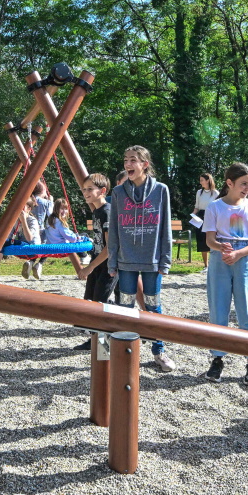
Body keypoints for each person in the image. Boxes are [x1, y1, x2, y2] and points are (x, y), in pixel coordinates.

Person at [108, 145, 174, 371]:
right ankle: (126, 354)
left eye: (133, 160)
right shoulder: (117, 193)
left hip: (152, 260)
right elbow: (114, 229)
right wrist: (112, 261)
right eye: (126, 160)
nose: (128, 164)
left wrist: (166, 260)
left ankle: (159, 351)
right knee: (124, 307)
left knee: (153, 307)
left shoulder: (161, 190)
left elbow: (165, 226)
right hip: (125, 260)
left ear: (145, 164)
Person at [202, 162, 248, 385]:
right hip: (220, 261)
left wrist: (239, 253)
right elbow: (209, 239)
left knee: (246, 311)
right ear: (229, 183)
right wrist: (222, 248)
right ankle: (217, 359)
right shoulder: (214, 207)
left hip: (244, 260)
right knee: (218, 310)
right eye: (243, 184)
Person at [74, 173, 116, 350]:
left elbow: (110, 248)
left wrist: (89, 267)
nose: (86, 192)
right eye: (84, 189)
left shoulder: (107, 212)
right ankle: (94, 340)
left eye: (90, 189)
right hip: (98, 263)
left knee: (99, 304)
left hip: (109, 266)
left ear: (103, 191)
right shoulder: (97, 211)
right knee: (90, 301)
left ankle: (102, 345)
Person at [192, 172, 217, 268]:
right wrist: (193, 215)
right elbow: (197, 206)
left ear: (207, 181)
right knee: (202, 240)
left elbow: (217, 208)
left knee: (212, 239)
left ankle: (213, 265)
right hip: (201, 216)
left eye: (202, 180)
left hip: (212, 216)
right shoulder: (199, 192)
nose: (200, 182)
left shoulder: (215, 193)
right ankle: (206, 266)